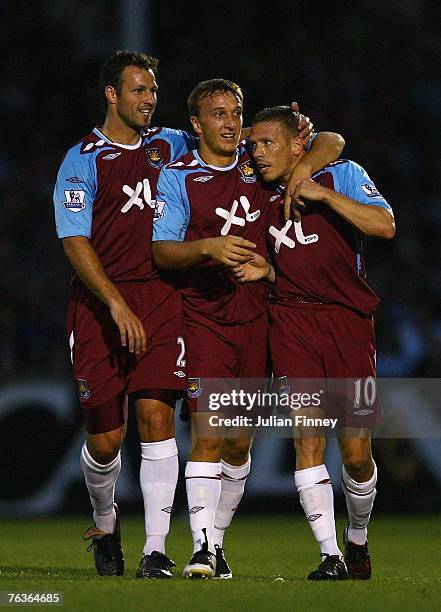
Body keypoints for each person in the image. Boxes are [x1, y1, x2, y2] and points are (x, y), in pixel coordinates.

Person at [152, 81, 344, 579]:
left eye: (235, 112)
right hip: (204, 318)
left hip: (260, 318)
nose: (231, 123)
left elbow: (331, 141)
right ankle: (201, 548)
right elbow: (161, 251)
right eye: (218, 114)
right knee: (209, 434)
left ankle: (217, 544)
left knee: (241, 445)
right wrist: (209, 247)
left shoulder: (257, 160)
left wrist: (302, 166)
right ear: (196, 125)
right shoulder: (180, 177)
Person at [53, 50, 201, 580]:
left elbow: (241, 141)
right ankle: (104, 518)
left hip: (162, 299)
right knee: (106, 440)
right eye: (138, 90)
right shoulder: (82, 159)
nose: (148, 99)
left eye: (154, 90)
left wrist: (307, 135)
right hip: (99, 305)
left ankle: (155, 550)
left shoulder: (172, 145)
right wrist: (116, 303)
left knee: (157, 418)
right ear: (111, 94)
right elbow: (74, 239)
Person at [233, 105, 395, 580]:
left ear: (297, 145)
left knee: (357, 454)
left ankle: (358, 537)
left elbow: (384, 225)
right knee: (308, 442)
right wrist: (268, 270)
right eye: (254, 144)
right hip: (291, 320)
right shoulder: (255, 190)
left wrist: (320, 193)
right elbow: (218, 136)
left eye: (267, 144)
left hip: (349, 323)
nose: (257, 153)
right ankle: (330, 556)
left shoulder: (342, 174)